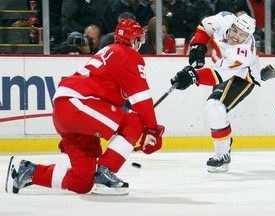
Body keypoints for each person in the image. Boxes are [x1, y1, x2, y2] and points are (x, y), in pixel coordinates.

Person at [11, 19, 165, 195]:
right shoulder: (128, 56)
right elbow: (142, 101)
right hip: (79, 104)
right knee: (134, 121)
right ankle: (106, 170)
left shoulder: (108, 51)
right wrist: (152, 129)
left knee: (83, 181)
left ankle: (28, 172)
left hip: (67, 111)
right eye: (140, 39)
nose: (140, 44)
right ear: (135, 40)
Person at [170, 11, 261, 173]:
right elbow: (204, 27)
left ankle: (223, 154)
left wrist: (193, 76)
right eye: (235, 31)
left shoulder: (242, 53)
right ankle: (224, 147)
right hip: (222, 68)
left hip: (243, 77)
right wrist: (197, 45)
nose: (235, 37)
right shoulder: (224, 19)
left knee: (215, 106)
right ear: (232, 25)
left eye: (241, 35)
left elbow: (216, 76)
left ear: (247, 38)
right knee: (214, 109)